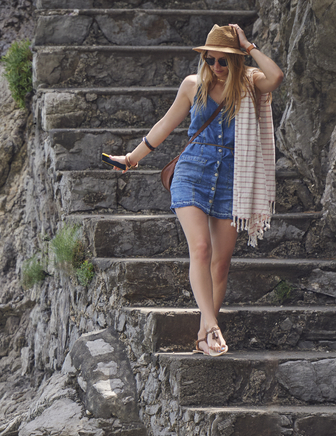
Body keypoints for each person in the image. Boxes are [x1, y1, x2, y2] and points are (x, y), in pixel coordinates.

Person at [109, 24, 284, 356]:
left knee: (220, 263)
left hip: (233, 179)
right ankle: (212, 325)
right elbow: (165, 123)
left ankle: (205, 335)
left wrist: (248, 46)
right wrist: (132, 158)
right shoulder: (194, 84)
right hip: (192, 173)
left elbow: (276, 76)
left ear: (235, 62)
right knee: (201, 249)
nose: (216, 67)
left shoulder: (250, 84)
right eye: (211, 59)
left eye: (223, 61)